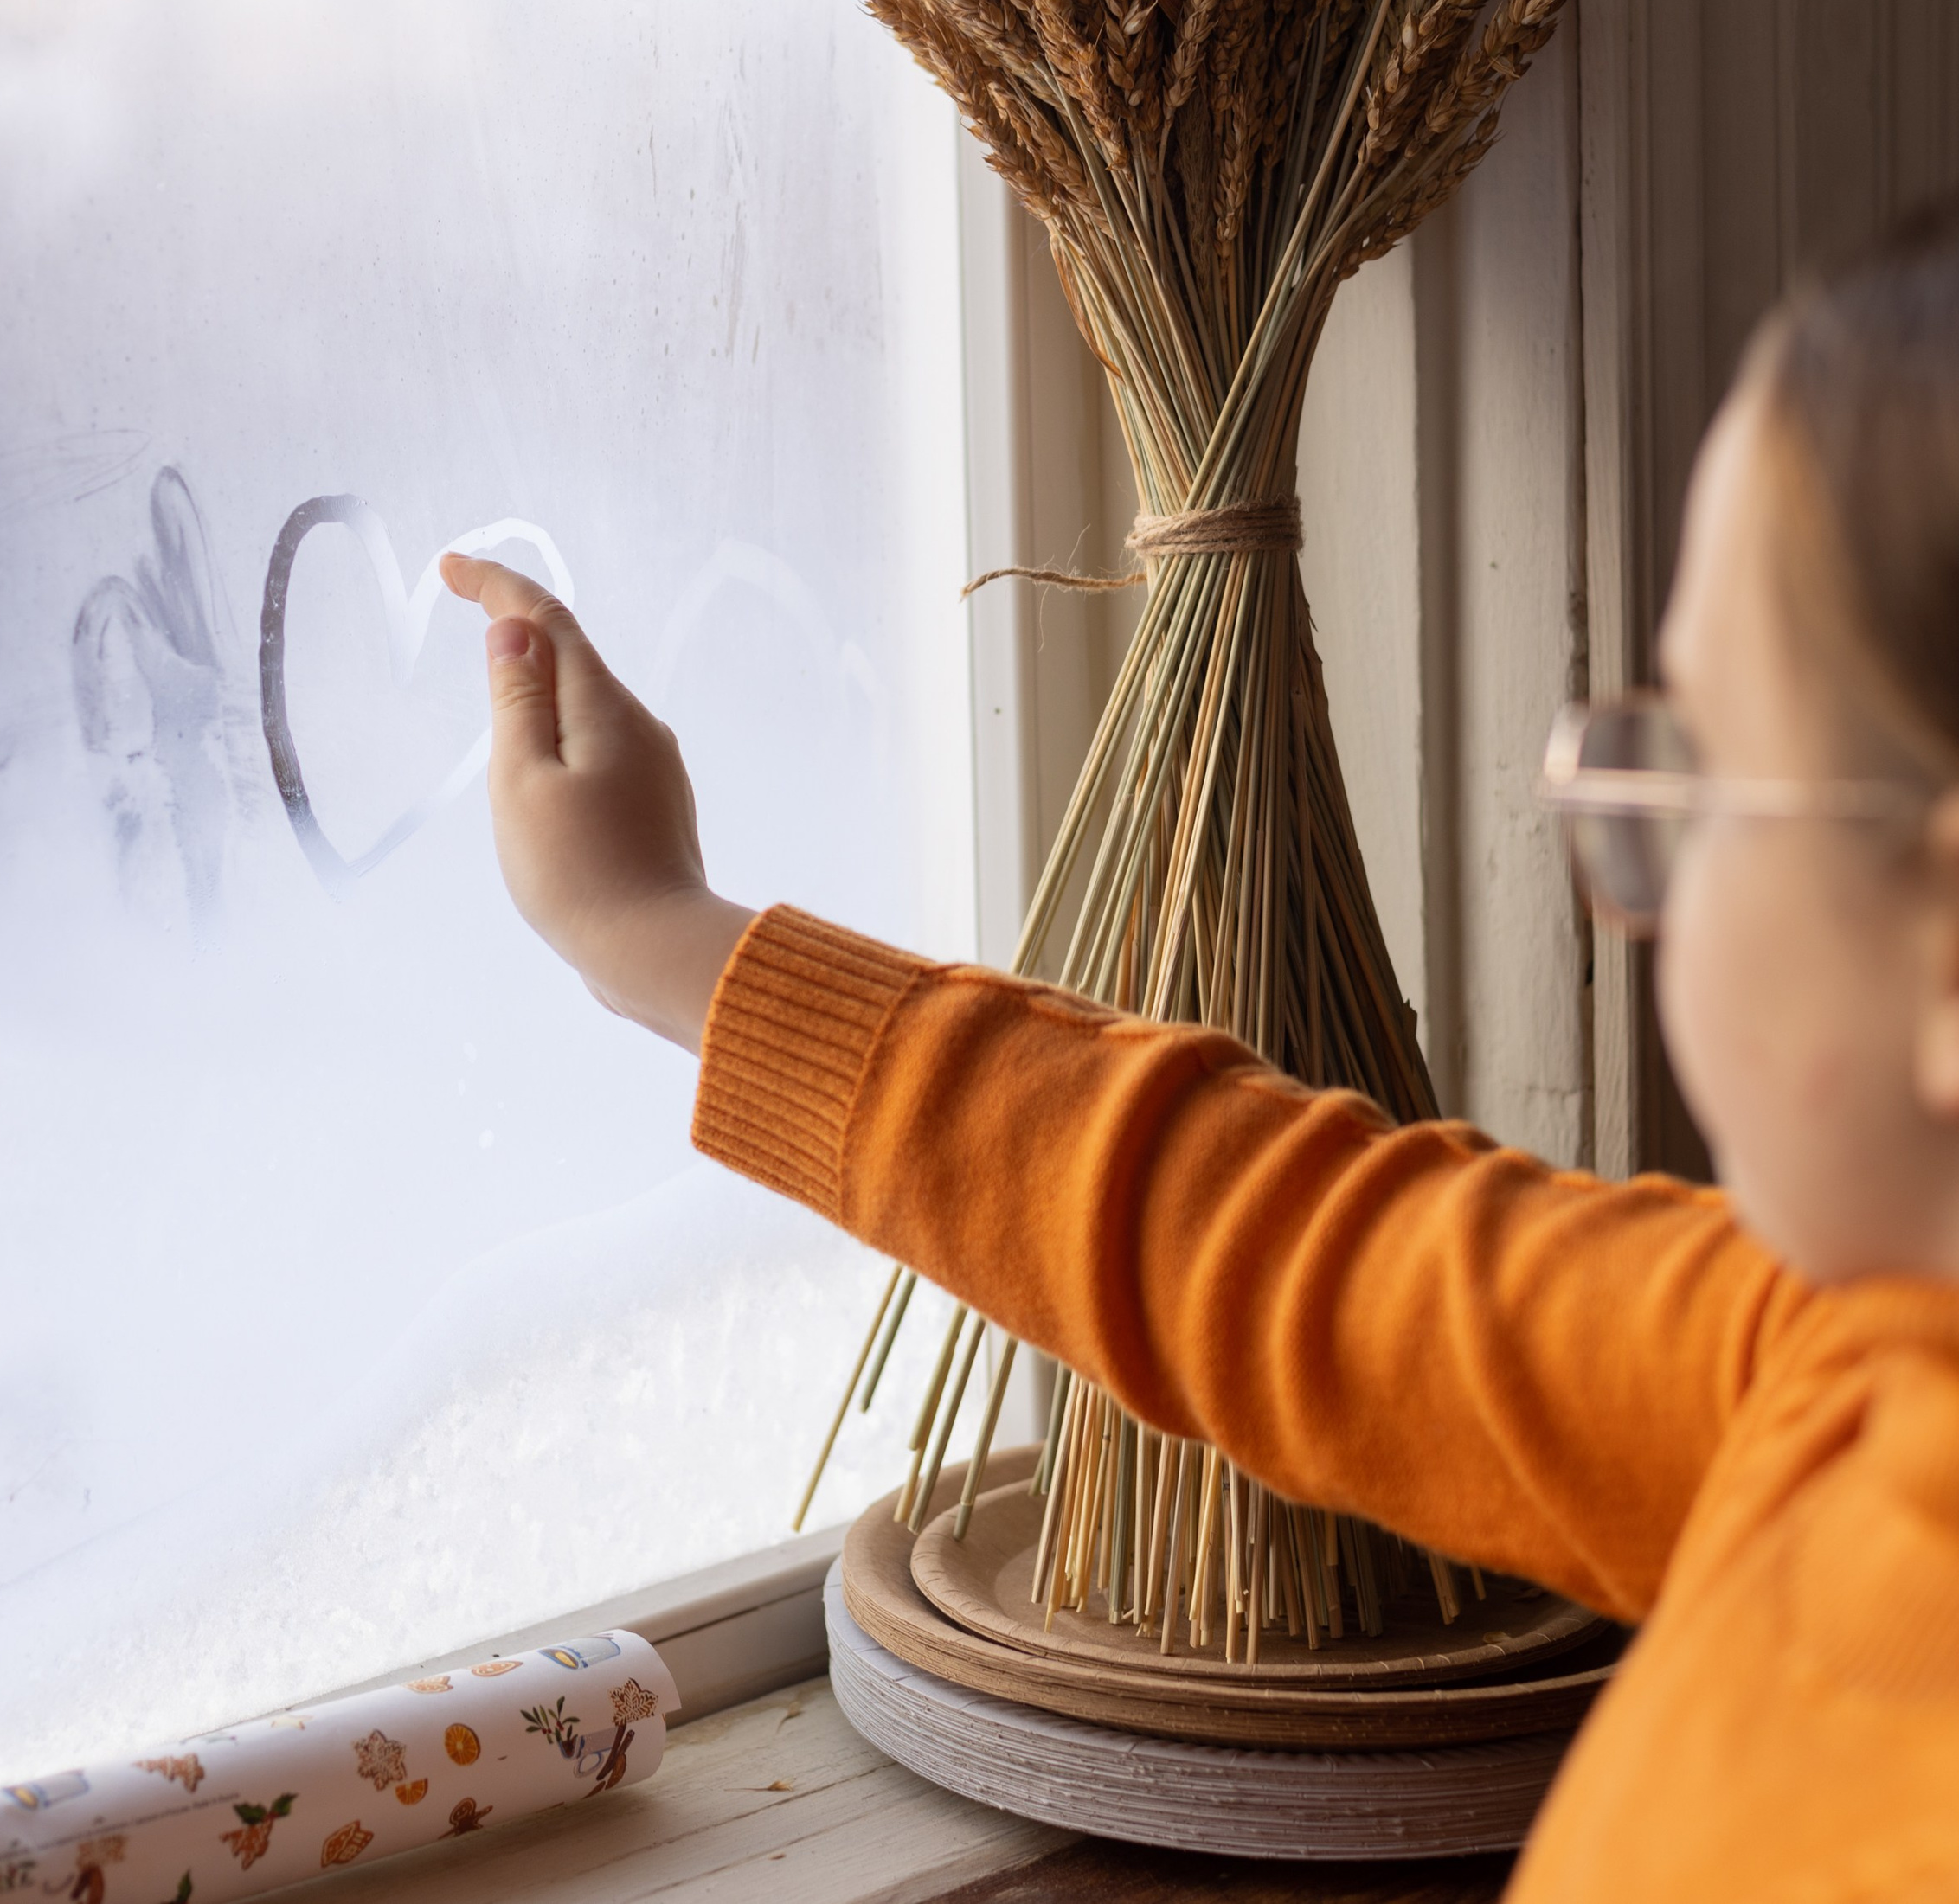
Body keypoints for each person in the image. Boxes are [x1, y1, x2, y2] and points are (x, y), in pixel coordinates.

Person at [439, 199, 1959, 1900]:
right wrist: (664, 937)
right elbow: (1277, 1242)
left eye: (1692, 776)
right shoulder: (1827, 1363)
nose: (1626, 901)